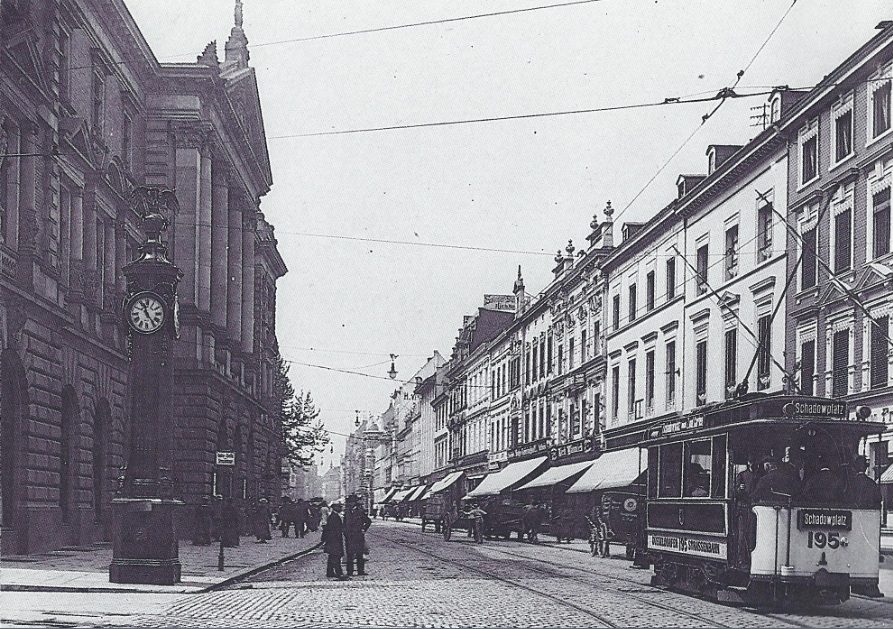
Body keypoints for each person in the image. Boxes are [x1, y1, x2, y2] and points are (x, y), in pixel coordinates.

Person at [734, 458, 760, 568]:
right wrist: (739, 489)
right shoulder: (742, 475)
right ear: (748, 463)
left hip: (754, 508)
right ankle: (742, 559)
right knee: (742, 534)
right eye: (751, 462)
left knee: (752, 535)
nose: (753, 464)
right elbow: (735, 492)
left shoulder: (758, 476)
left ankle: (750, 559)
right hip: (743, 508)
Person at [344, 496, 372, 576]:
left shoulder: (360, 511)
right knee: (350, 554)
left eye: (352, 502)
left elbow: (368, 521)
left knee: (359, 554)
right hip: (349, 536)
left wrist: (364, 529)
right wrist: (345, 533)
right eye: (349, 502)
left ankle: (360, 571)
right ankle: (350, 571)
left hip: (358, 535)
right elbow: (344, 524)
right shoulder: (347, 512)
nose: (350, 504)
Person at [322, 502, 347, 579]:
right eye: (339, 507)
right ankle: (339, 573)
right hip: (334, 540)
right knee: (336, 556)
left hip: (332, 539)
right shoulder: (334, 517)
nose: (340, 508)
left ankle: (330, 572)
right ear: (335, 508)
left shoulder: (333, 516)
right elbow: (334, 529)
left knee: (332, 556)